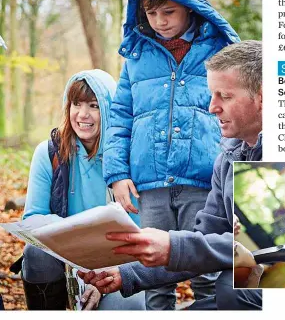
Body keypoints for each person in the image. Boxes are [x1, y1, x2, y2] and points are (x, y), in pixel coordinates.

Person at [81, 41, 263, 311]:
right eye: (211, 95)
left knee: (227, 285)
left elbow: (262, 247)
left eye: (224, 96)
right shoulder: (227, 158)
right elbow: (202, 245)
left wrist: (172, 246)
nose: (212, 107)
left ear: (262, 97)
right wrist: (125, 274)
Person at [103, 0, 240, 311]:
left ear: (190, 7)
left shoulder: (218, 51)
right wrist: (117, 175)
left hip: (202, 180)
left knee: (205, 271)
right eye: (151, 14)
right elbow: (120, 116)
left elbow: (237, 112)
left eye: (169, 12)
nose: (160, 22)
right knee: (153, 264)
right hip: (150, 184)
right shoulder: (136, 56)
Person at [20, 70, 145, 311]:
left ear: (109, 109)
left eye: (94, 106)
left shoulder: (130, 158)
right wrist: (71, 241)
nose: (83, 114)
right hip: (65, 255)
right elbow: (32, 218)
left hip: (117, 262)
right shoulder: (50, 153)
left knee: (127, 304)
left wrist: (100, 279)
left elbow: (138, 232)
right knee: (35, 252)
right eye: (76, 104)